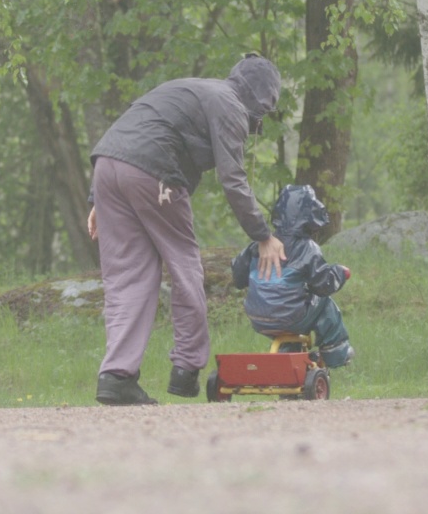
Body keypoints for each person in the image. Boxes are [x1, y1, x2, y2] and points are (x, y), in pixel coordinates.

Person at [87, 54, 287, 406]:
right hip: (155, 172)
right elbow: (233, 179)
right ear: (261, 101)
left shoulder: (191, 87)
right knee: (184, 265)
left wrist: (97, 198)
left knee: (126, 277)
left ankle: (116, 377)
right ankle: (186, 369)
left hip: (107, 167)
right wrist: (263, 235)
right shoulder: (231, 106)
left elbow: (130, 124)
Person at [230, 184, 353, 367]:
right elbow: (322, 284)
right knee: (324, 302)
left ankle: (289, 360)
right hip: (291, 317)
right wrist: (340, 273)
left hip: (258, 316)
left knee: (292, 304)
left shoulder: (259, 245)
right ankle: (336, 351)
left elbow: (238, 277)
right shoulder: (307, 248)